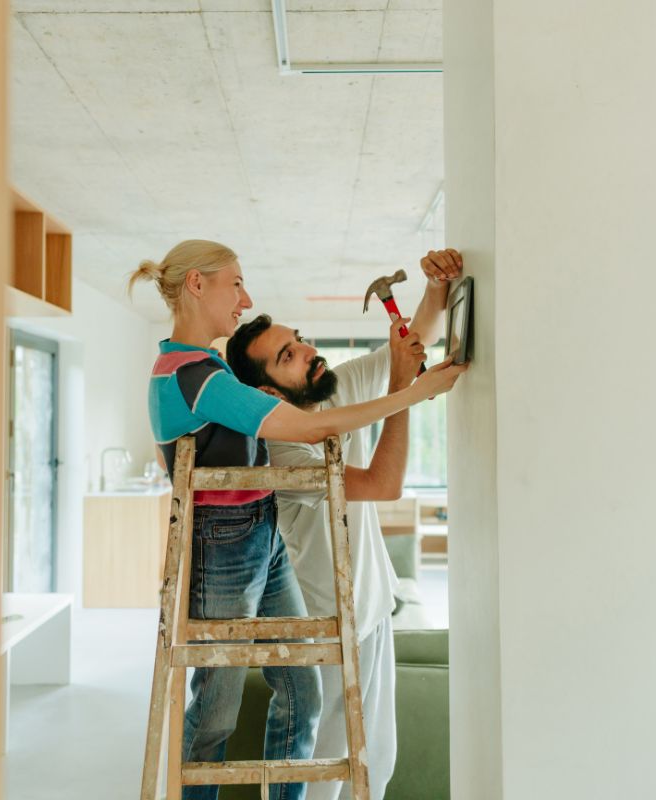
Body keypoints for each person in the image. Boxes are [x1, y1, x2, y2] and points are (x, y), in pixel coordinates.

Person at [129, 240, 466, 800]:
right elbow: (317, 436)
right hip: (227, 549)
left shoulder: (210, 367)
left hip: (263, 536)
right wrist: (411, 391)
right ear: (197, 284)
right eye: (235, 283)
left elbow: (406, 349)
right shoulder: (194, 376)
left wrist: (434, 297)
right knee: (215, 713)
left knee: (308, 701)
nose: (244, 296)